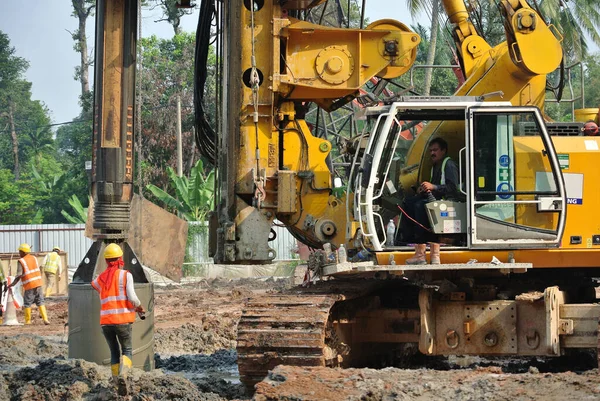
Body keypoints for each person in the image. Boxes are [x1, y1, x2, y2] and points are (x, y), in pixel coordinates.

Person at [91, 243, 144, 395]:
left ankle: (115, 384)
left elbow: (94, 284)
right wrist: (139, 307)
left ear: (106, 260)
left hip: (106, 323)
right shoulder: (125, 275)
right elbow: (133, 298)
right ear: (120, 258)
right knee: (127, 350)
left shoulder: (101, 278)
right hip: (122, 320)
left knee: (114, 352)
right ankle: (123, 375)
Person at [400, 137, 459, 265]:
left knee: (420, 206)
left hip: (448, 201)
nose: (432, 153)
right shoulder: (435, 167)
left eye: (435, 150)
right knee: (408, 202)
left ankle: (423, 250)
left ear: (443, 151)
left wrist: (434, 187)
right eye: (431, 150)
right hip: (436, 199)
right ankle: (411, 242)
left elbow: (453, 188)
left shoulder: (449, 165)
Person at [9, 243, 49, 325]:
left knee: (27, 303)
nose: (19, 253)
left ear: (23, 252)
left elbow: (19, 275)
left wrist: (12, 284)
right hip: (38, 283)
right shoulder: (34, 258)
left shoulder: (21, 261)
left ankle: (28, 321)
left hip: (30, 284)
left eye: (20, 252)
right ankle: (45, 319)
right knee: (40, 301)